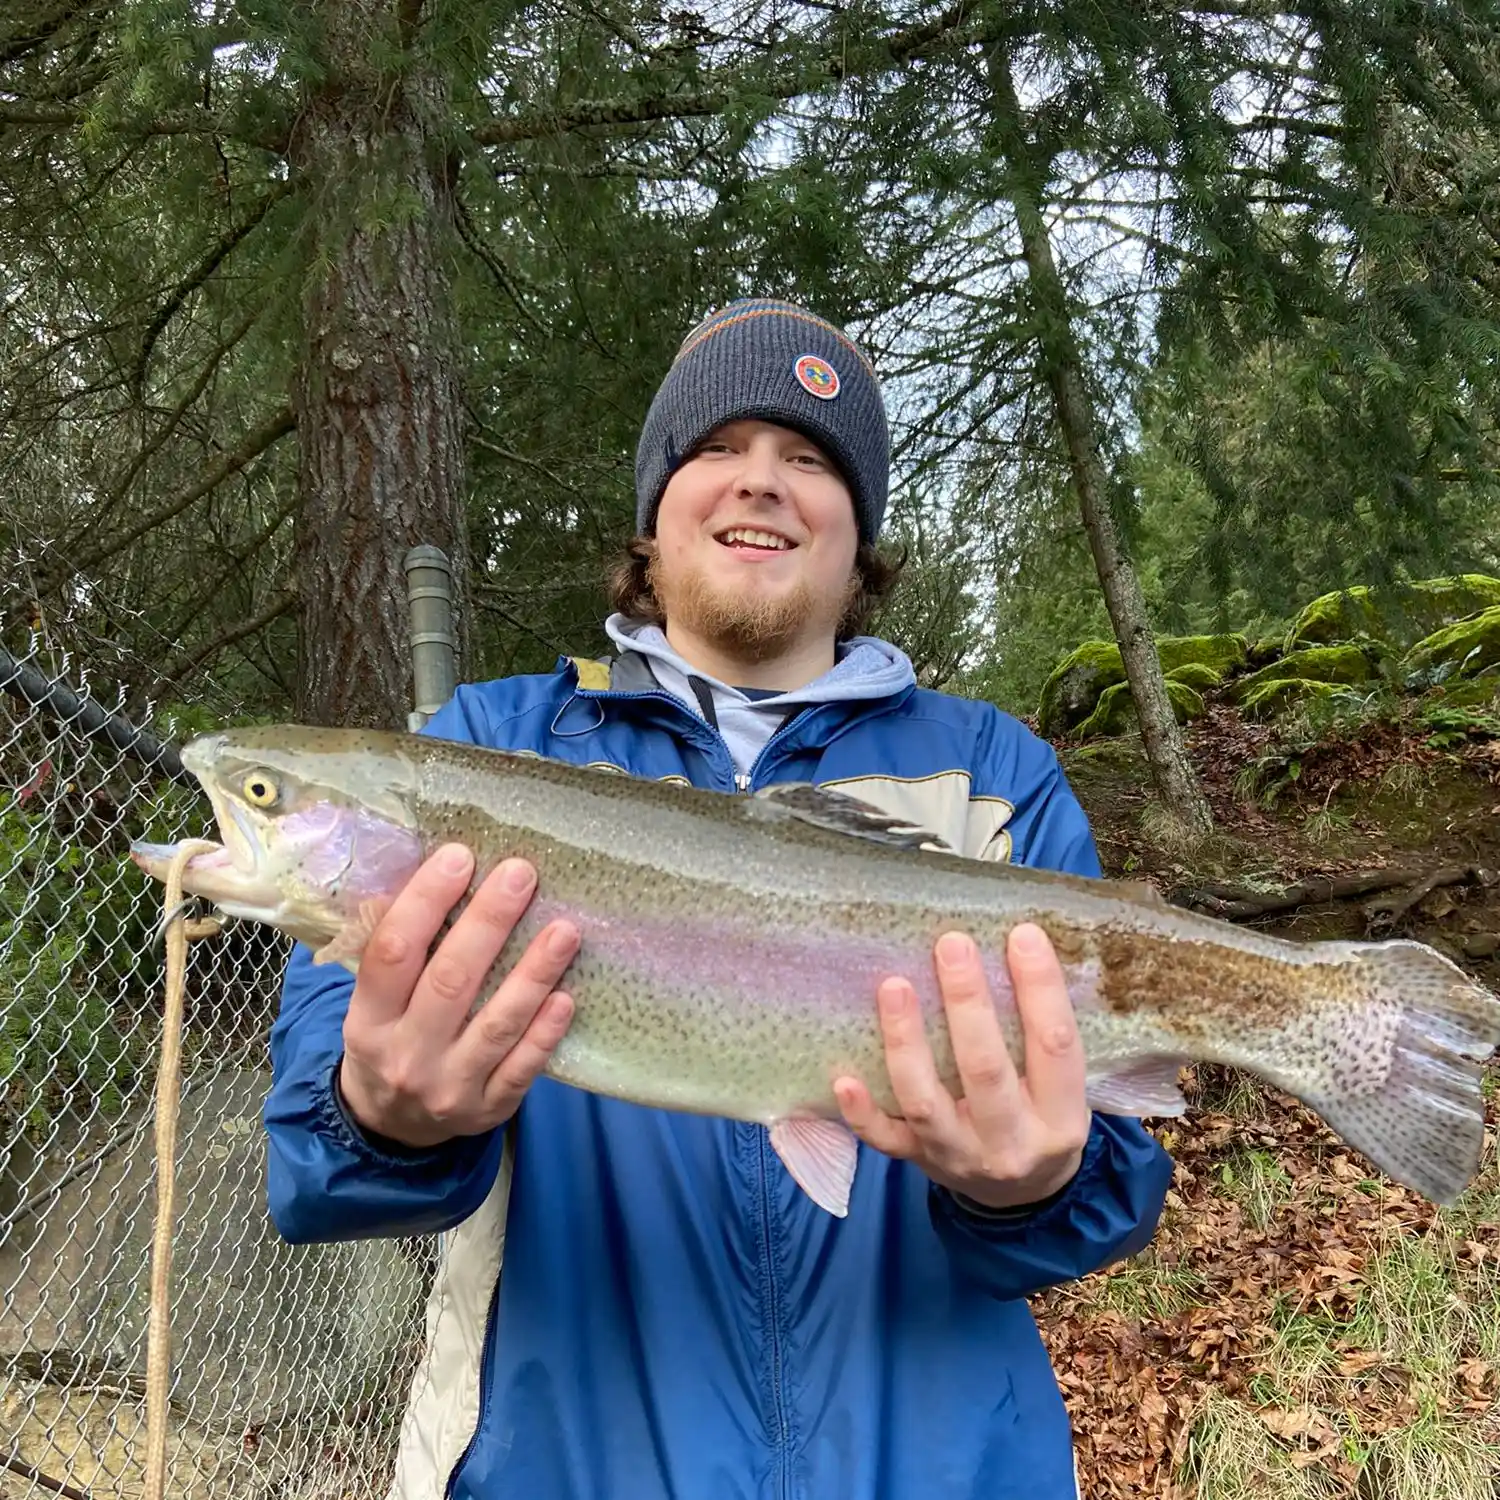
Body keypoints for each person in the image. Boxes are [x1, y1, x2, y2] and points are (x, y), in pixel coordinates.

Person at [264, 298, 1174, 1500]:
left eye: (809, 459)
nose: (762, 484)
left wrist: (1035, 1187)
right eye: (716, 451)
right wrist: (382, 1115)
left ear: (862, 536)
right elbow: (312, 1173)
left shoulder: (997, 781)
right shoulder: (480, 753)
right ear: (652, 516)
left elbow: (1105, 1191)